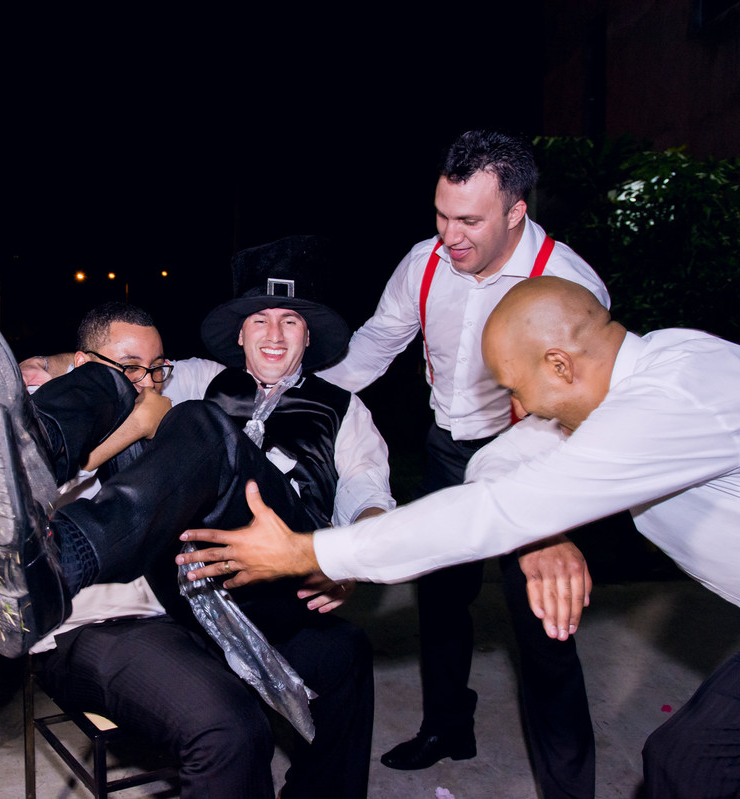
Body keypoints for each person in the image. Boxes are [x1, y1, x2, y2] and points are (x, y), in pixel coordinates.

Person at [181, 275, 740, 798]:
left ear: (560, 365)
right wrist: (542, 531)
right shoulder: (656, 360)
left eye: (515, 390)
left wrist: (312, 551)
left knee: (687, 762)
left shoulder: (665, 405)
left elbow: (488, 511)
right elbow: (501, 459)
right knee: (682, 761)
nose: (519, 410)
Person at [0, 236, 390, 798]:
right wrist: (45, 368)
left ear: (310, 334)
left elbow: (370, 499)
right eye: (260, 320)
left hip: (281, 564)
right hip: (194, 581)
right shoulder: (200, 377)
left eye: (291, 322)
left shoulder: (344, 409)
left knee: (207, 430)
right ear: (239, 332)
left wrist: (345, 560)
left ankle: (64, 557)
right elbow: (125, 370)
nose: (274, 335)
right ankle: (34, 441)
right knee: (156, 400)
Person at [311, 129, 609, 793]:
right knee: (442, 598)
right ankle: (450, 724)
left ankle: (569, 786)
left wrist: (550, 526)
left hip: (536, 453)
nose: (450, 236)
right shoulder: (424, 263)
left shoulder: (569, 286)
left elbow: (577, 415)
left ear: (516, 210)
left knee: (542, 627)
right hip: (448, 448)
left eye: (469, 220)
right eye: (441, 215)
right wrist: (304, 399)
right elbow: (372, 348)